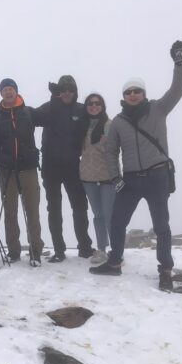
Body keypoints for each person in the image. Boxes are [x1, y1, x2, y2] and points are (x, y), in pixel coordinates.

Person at [92, 41, 182, 291]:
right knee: (117, 221)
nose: (133, 94)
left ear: (143, 93)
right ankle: (114, 263)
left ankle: (165, 269)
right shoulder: (118, 123)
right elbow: (111, 152)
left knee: (161, 226)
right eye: (128, 92)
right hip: (131, 180)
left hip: (157, 177)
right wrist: (116, 177)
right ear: (123, 96)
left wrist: (180, 63)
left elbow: (177, 89)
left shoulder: (158, 109)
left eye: (137, 91)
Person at [33, 75, 94, 261]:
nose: (67, 93)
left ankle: (85, 247)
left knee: (80, 207)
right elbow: (30, 118)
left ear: (75, 92)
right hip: (50, 166)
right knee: (54, 209)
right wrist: (54, 100)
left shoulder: (81, 110)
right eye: (63, 90)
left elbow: (98, 123)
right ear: (59, 91)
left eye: (71, 90)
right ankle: (59, 251)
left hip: (73, 165)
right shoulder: (49, 107)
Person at [0, 78, 45, 266]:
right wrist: (1, 161)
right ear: (1, 93)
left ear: (16, 91)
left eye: (11, 89)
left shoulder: (28, 112)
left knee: (32, 211)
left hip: (28, 168)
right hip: (7, 171)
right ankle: (13, 251)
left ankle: (36, 250)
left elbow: (49, 116)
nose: (8, 92)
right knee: (10, 211)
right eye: (5, 90)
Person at [78, 93, 117, 264]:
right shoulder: (82, 126)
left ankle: (117, 251)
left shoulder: (109, 125)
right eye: (90, 104)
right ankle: (102, 249)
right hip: (88, 177)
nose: (94, 106)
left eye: (97, 103)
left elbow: (115, 150)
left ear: (102, 106)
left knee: (110, 215)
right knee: (98, 215)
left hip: (107, 177)